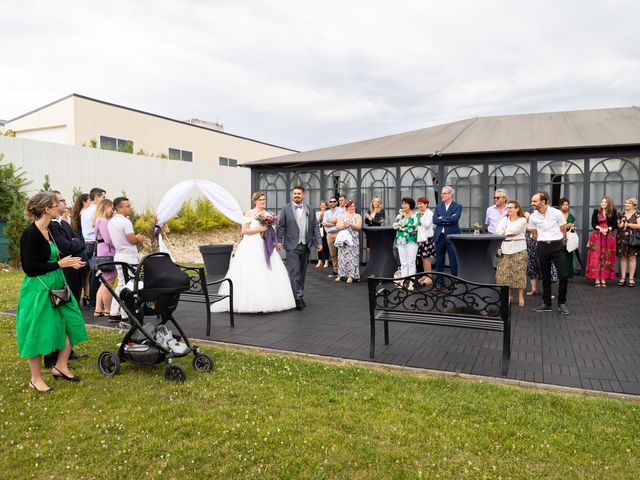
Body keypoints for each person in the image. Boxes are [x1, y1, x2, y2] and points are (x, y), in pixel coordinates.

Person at [16, 192, 87, 392]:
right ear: (47, 209)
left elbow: (56, 258)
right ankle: (35, 378)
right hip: (39, 288)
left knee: (71, 323)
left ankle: (60, 366)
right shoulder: (30, 233)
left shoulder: (50, 230)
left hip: (57, 284)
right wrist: (59, 264)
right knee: (39, 330)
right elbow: (29, 268)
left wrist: (69, 263)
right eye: (57, 203)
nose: (61, 205)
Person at [212, 192, 296, 313]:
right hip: (250, 246)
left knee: (268, 272)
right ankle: (248, 303)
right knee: (251, 272)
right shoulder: (249, 213)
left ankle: (269, 301)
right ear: (255, 201)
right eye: (260, 200)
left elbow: (270, 232)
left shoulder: (267, 214)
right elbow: (244, 231)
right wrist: (259, 229)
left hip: (265, 246)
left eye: (264, 199)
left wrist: (275, 243)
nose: (263, 201)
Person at [276, 185, 322, 310]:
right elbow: (281, 226)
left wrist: (319, 242)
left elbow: (315, 227)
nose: (296, 195)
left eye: (299, 194)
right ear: (292, 195)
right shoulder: (285, 208)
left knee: (302, 273)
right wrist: (279, 241)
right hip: (292, 246)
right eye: (295, 193)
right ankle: (298, 297)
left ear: (303, 195)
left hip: (306, 245)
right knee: (295, 272)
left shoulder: (311, 209)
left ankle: (298, 294)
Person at [528, 191, 570, 315]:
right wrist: (544, 240)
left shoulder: (556, 213)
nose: (532, 203)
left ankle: (561, 303)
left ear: (543, 201)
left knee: (563, 276)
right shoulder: (533, 216)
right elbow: (534, 235)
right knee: (545, 277)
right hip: (542, 247)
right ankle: (547, 303)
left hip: (556, 246)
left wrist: (555, 240)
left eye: (535, 201)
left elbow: (564, 231)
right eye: (532, 201)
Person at [107, 197, 146, 321]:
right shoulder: (125, 222)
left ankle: (114, 312)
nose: (130, 208)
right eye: (127, 206)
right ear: (119, 208)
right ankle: (125, 313)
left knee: (121, 283)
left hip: (119, 255)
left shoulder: (111, 221)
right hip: (129, 255)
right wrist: (139, 238)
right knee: (130, 284)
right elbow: (132, 239)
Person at [495, 200, 528, 306]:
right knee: (505, 274)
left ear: (517, 209)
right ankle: (508, 296)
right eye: (507, 208)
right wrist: (506, 232)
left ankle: (521, 297)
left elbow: (514, 230)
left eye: (511, 207)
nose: (508, 209)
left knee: (519, 274)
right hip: (505, 248)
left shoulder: (522, 220)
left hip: (519, 249)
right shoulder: (505, 219)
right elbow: (498, 231)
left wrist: (505, 232)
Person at [81, 187, 106, 307]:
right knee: (98, 273)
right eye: (103, 197)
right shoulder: (97, 211)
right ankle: (95, 301)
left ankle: (93, 299)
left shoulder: (84, 211)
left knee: (93, 273)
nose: (104, 200)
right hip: (94, 244)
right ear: (96, 197)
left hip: (87, 243)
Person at [524, 210, 558, 296]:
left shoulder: (548, 216)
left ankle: (548, 292)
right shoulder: (528, 215)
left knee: (546, 267)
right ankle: (533, 289)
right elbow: (526, 227)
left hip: (543, 245)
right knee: (532, 266)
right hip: (530, 246)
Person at [586, 196, 617, 287]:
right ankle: (596, 278)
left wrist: (607, 229)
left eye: (605, 202)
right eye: (602, 202)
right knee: (595, 256)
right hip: (597, 236)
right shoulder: (596, 211)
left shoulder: (613, 211)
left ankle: (603, 278)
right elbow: (593, 223)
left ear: (609, 204)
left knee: (606, 257)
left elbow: (615, 224)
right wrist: (600, 228)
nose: (603, 203)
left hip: (608, 237)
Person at [93, 199, 117, 316]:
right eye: (110, 207)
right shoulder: (103, 221)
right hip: (107, 252)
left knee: (103, 282)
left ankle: (98, 309)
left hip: (101, 251)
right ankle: (107, 309)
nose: (112, 210)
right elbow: (108, 239)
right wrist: (117, 244)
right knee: (108, 282)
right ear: (105, 207)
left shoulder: (98, 220)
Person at [433, 186, 462, 279]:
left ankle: (455, 281)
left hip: (452, 236)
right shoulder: (438, 207)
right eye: (442, 193)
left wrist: (442, 218)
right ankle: (439, 282)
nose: (442, 195)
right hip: (439, 236)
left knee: (453, 260)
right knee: (439, 260)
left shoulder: (457, 206)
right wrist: (448, 218)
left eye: (444, 193)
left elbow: (455, 219)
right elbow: (435, 220)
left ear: (450, 195)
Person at [334, 200, 362, 283]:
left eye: (353, 206)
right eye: (350, 206)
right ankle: (341, 275)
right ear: (347, 207)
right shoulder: (342, 216)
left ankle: (351, 276)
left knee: (352, 257)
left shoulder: (357, 216)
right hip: (344, 239)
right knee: (342, 257)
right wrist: (343, 225)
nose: (352, 208)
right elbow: (337, 226)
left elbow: (359, 226)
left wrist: (351, 224)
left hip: (353, 239)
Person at [71, 193, 90, 303]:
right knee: (86, 270)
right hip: (83, 241)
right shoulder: (84, 213)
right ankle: (86, 293)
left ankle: (86, 293)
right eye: (89, 201)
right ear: (84, 201)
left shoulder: (77, 214)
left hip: (80, 241)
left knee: (85, 271)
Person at [616, 197, 640, 287]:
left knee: (632, 258)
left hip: (633, 239)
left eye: (629, 203)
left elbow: (639, 225)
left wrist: (628, 224)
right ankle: (622, 278)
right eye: (626, 203)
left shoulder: (637, 213)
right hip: (622, 238)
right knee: (622, 257)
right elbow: (618, 226)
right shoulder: (620, 214)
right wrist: (620, 225)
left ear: (634, 205)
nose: (626, 204)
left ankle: (631, 278)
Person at [393, 197, 419, 278]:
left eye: (406, 204)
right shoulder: (400, 215)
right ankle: (404, 280)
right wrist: (400, 217)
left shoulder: (416, 215)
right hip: (401, 241)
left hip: (412, 240)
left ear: (410, 205)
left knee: (411, 262)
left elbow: (415, 228)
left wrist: (402, 228)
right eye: (403, 203)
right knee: (403, 263)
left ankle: (411, 282)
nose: (404, 205)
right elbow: (394, 226)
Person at [322, 196, 345, 278]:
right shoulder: (327, 212)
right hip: (329, 235)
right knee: (333, 253)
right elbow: (324, 223)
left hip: (339, 233)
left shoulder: (341, 211)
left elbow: (339, 221)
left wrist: (330, 222)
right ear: (329, 203)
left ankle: (342, 270)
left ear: (336, 202)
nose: (332, 203)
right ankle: (336, 270)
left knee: (341, 252)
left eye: (334, 201)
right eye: (331, 201)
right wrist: (334, 222)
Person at [415, 196, 435, 284]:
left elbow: (426, 225)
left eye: (421, 204)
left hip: (427, 237)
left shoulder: (429, 213)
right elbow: (415, 223)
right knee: (423, 258)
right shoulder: (419, 213)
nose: (419, 205)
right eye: (418, 204)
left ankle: (429, 277)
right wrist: (418, 215)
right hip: (421, 237)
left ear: (426, 204)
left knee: (426, 258)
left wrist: (420, 216)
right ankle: (425, 275)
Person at [559, 198, 577, 278]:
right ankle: (559, 274)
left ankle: (568, 274)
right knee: (559, 256)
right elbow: (555, 227)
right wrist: (566, 226)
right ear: (560, 206)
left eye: (567, 205)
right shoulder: (557, 215)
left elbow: (571, 227)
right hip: (558, 238)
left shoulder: (571, 216)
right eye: (564, 205)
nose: (566, 206)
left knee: (569, 255)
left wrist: (572, 228)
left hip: (568, 239)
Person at [315, 200, 330, 268]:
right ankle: (320, 261)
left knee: (326, 245)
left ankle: (326, 261)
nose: (322, 206)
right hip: (319, 229)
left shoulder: (328, 212)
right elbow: (317, 221)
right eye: (321, 205)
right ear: (320, 206)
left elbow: (328, 221)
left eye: (324, 205)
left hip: (326, 230)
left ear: (326, 206)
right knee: (319, 245)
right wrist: (321, 215)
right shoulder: (317, 213)